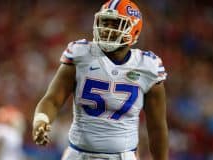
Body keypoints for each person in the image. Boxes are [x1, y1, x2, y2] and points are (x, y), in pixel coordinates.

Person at [32, 0, 169, 159]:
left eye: (115, 24)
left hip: (121, 156)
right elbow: (53, 99)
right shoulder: (81, 55)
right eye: (104, 22)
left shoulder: (147, 67)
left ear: (134, 29)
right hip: (78, 154)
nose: (106, 29)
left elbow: (157, 128)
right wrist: (41, 119)